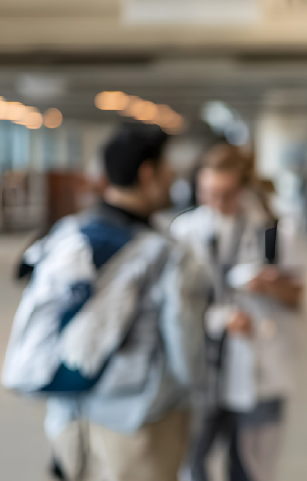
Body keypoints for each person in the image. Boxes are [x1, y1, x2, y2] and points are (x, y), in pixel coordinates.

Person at [3, 123, 210, 481]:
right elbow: (183, 341)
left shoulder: (70, 232)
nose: (173, 175)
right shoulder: (164, 251)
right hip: (138, 420)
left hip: (71, 416)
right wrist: (199, 388)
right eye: (167, 167)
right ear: (148, 173)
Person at [171, 144, 305, 481]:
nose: (215, 203)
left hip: (260, 365)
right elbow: (175, 303)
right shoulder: (184, 231)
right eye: (207, 193)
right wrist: (217, 318)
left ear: (243, 189)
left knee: (252, 467)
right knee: (193, 461)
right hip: (204, 365)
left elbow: (297, 295)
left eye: (226, 194)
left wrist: (269, 286)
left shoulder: (275, 231)